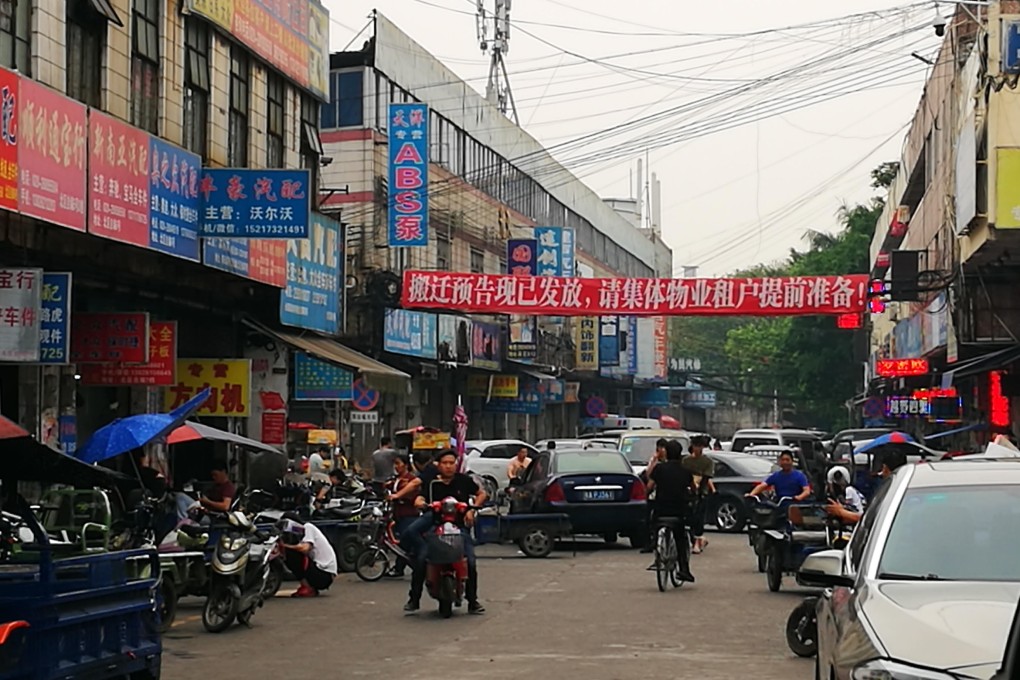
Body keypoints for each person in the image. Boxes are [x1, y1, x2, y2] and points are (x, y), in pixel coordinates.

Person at [402, 449, 487, 615]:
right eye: (445, 463)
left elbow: (481, 493)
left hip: (460, 528)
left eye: (451, 463)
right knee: (421, 560)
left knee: (469, 561)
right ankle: (414, 599)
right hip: (435, 529)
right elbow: (420, 498)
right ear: (438, 465)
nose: (448, 466)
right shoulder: (432, 483)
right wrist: (420, 503)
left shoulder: (464, 481)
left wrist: (472, 509)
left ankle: (472, 600)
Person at [646, 439, 696, 582]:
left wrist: (646, 496)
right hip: (678, 511)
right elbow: (693, 488)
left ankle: (656, 551)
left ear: (666, 453)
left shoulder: (659, 469)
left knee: (653, 525)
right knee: (680, 539)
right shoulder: (685, 471)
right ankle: (684, 570)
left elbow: (649, 487)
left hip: (661, 509)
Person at [826, 450, 907, 524]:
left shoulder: (888, 493)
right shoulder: (906, 492)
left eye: (883, 468)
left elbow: (871, 521)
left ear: (885, 468)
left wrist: (842, 512)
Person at [277, 515, 338, 597]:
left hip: (324, 575)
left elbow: (305, 548)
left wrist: (284, 546)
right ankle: (308, 586)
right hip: (321, 573)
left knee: (291, 553)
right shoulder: (300, 534)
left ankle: (307, 587)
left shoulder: (308, 527)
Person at [682, 434, 717, 554]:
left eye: (700, 446)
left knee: (699, 517)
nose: (698, 449)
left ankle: (697, 541)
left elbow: (706, 478)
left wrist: (701, 492)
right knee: (688, 516)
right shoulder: (685, 461)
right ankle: (697, 539)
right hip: (687, 491)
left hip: (701, 491)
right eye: (696, 446)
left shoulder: (707, 462)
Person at [386, 453, 419, 578]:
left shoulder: (411, 480)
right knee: (401, 542)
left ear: (405, 465)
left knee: (405, 542)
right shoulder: (396, 479)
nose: (396, 466)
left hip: (409, 514)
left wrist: (399, 497)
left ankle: (402, 567)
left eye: (398, 464)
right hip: (397, 514)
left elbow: (412, 495)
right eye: (395, 464)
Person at [746, 451, 811, 503]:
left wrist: (799, 497)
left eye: (787, 460)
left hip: (794, 504)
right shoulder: (776, 475)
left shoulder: (799, 476)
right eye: (783, 460)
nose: (785, 462)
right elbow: (763, 485)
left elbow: (806, 491)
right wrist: (751, 494)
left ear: (792, 461)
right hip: (780, 503)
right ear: (780, 462)